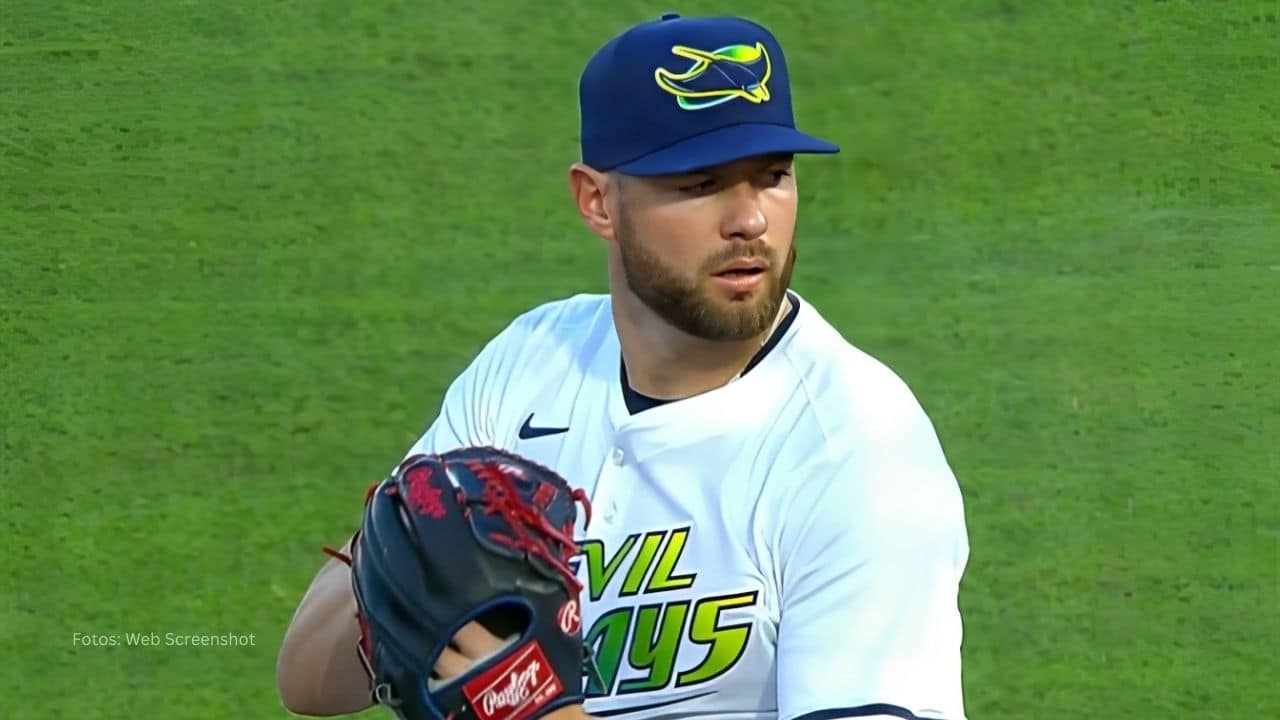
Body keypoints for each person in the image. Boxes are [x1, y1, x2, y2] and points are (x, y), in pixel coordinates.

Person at [277, 12, 970, 720]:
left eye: (773, 177)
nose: (751, 220)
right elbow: (307, 685)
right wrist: (408, 566)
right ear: (597, 202)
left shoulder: (856, 448)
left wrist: (524, 698)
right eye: (700, 184)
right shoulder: (529, 367)